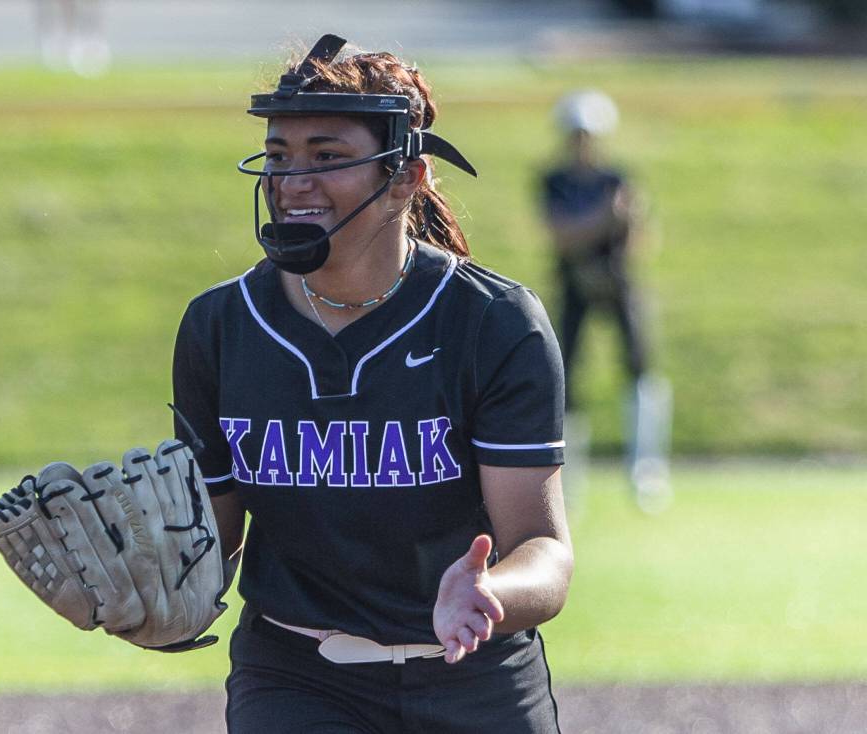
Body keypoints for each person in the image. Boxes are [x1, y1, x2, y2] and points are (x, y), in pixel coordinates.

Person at [173, 35, 572, 733]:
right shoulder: (220, 324)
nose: (292, 181)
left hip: (476, 678)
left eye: (327, 157)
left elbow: (543, 550)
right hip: (295, 676)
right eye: (278, 157)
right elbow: (218, 540)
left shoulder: (494, 321)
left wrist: (489, 592)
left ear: (407, 178)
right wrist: (151, 588)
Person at [539, 90, 672, 513]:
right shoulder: (553, 180)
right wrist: (604, 219)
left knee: (638, 370)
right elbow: (563, 235)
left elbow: (637, 238)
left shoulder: (617, 177)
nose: (583, 143)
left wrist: (618, 224)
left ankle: (645, 473)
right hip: (574, 285)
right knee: (566, 380)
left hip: (619, 285)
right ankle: (568, 482)